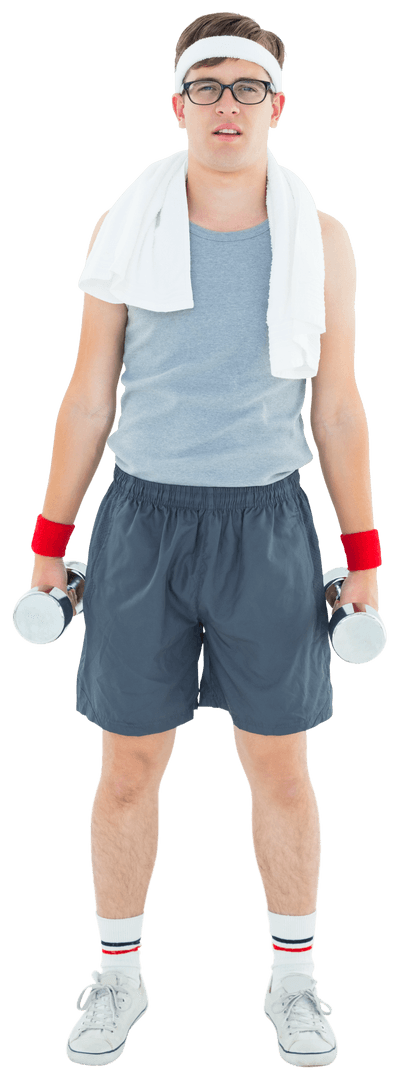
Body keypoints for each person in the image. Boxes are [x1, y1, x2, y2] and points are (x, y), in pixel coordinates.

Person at [29, 11, 382, 1070]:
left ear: (278, 105)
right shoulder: (123, 224)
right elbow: (90, 396)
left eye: (246, 88)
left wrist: (364, 558)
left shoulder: (319, 239)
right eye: (208, 87)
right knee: (128, 765)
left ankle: (295, 982)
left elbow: (337, 409)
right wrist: (50, 538)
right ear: (178, 105)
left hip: (268, 525)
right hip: (139, 522)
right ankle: (119, 979)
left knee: (280, 767)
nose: (227, 106)